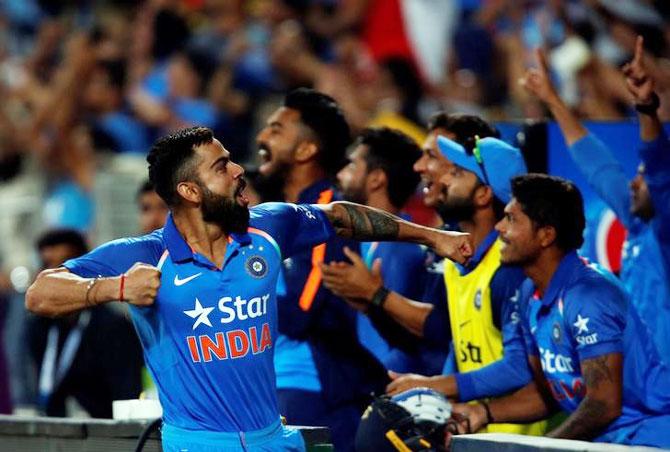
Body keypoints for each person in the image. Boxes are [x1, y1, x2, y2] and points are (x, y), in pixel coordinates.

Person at [26, 126, 472, 451]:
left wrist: (435, 237)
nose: (240, 170)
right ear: (190, 191)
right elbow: (41, 293)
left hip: (274, 440)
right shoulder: (143, 255)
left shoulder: (268, 227)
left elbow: (340, 217)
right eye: (222, 166)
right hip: (197, 445)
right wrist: (115, 287)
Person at [322, 114, 546, 436]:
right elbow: (459, 344)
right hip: (472, 432)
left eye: (455, 173)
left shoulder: (509, 269)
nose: (443, 180)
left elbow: (519, 366)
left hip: (515, 437)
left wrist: (437, 385)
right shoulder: (458, 261)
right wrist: (428, 389)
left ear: (484, 195)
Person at [453, 174, 670, 448]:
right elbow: (550, 394)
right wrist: (482, 412)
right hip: (605, 442)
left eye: (511, 219)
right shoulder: (528, 294)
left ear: (546, 235)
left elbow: (604, 404)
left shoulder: (590, 296)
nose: (499, 228)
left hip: (645, 439)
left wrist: (542, 447)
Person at [520, 37, 670, 363]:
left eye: (642, 177)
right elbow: (597, 164)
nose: (634, 181)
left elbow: (659, 165)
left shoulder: (665, 234)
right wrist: (552, 99)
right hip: (639, 379)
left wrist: (646, 106)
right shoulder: (637, 221)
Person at [256, 88, 386, 451]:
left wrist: (230, 284)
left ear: (306, 150)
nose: (261, 137)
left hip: (316, 387)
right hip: (280, 382)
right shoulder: (290, 212)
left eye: (276, 129)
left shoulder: (328, 214)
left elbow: (300, 313)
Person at [334, 126, 446, 374]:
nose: (341, 174)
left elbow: (406, 341)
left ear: (376, 179)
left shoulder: (401, 251)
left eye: (352, 166)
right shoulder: (363, 242)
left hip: (389, 384)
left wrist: (377, 383)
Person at [25, 229, 144, 418]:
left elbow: (127, 395)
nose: (57, 278)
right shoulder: (39, 327)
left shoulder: (113, 328)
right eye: (48, 266)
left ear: (84, 268)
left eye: (64, 267)